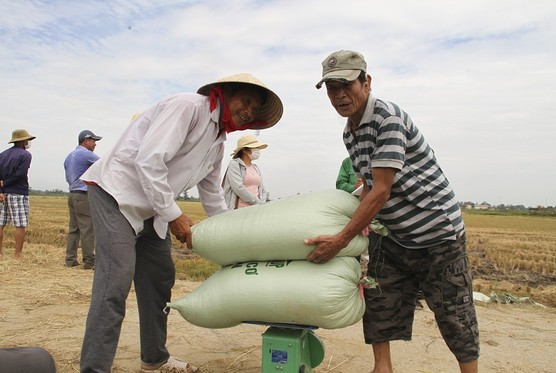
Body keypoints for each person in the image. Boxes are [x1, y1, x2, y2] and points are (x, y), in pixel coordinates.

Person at [78, 73, 283, 373]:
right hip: (116, 195)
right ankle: (94, 368)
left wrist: (232, 236)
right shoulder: (189, 107)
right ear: (225, 93)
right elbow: (148, 160)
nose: (249, 111)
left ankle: (154, 357)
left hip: (153, 209)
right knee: (114, 285)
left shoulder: (217, 142)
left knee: (159, 281)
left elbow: (212, 195)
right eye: (246, 101)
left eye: (255, 109)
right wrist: (175, 215)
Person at [307, 50, 479, 373]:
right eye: (332, 88)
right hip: (397, 234)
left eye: (346, 85)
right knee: (378, 299)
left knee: (454, 313)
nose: (339, 95)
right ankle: (382, 368)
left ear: (367, 82)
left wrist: (340, 240)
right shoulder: (350, 133)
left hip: (436, 232)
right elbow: (368, 188)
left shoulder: (387, 118)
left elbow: (382, 189)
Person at [63, 130, 102, 269]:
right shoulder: (86, 154)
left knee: (74, 228)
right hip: (83, 194)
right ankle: (90, 261)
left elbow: (67, 176)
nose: (95, 144)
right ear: (86, 141)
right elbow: (103, 164)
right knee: (87, 228)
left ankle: (70, 259)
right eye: (93, 140)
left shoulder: (69, 156)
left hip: (72, 193)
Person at [0, 129, 36, 258]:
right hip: (19, 192)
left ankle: (0, 253)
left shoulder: (2, 154)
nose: (28, 142)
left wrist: (2, 189)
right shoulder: (25, 155)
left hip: (3, 194)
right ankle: (18, 254)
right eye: (27, 140)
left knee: (1, 223)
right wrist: (6, 183)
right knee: (20, 225)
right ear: (22, 141)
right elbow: (20, 174)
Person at [222, 134, 270, 209]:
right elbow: (238, 187)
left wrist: (262, 203)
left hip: (256, 209)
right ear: (245, 150)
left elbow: (262, 189)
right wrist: (257, 203)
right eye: (255, 147)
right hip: (240, 209)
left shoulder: (255, 168)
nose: (257, 150)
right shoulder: (234, 164)